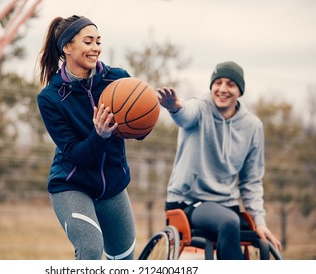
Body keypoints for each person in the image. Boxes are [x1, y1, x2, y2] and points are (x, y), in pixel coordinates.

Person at [157, 61, 282, 259]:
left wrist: (260, 222)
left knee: (259, 243)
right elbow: (185, 114)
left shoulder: (253, 126)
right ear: (211, 86)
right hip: (189, 202)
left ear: (240, 91)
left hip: (226, 205)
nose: (222, 89)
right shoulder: (200, 107)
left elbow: (251, 181)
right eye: (218, 83)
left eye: (230, 84)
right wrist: (175, 108)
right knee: (229, 222)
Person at [37, 15, 136, 260]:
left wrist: (149, 118)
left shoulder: (119, 78)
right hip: (72, 184)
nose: (96, 48)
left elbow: (137, 131)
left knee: (124, 262)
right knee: (90, 249)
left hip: (112, 186)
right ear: (67, 47)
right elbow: (74, 154)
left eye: (98, 42)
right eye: (88, 41)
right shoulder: (51, 98)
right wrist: (100, 136)